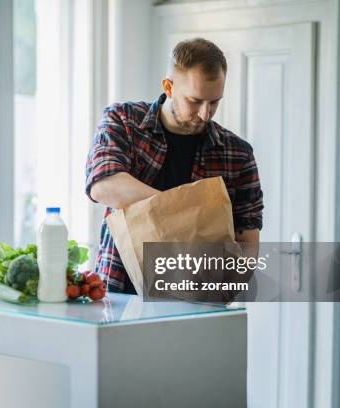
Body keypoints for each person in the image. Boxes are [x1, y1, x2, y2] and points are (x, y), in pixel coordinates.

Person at [85, 38, 264, 294]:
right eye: (195, 100)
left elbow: (247, 236)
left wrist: (227, 287)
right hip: (121, 293)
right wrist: (185, 216)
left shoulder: (237, 153)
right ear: (168, 87)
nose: (205, 113)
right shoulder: (123, 120)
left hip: (200, 300)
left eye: (214, 102)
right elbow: (104, 185)